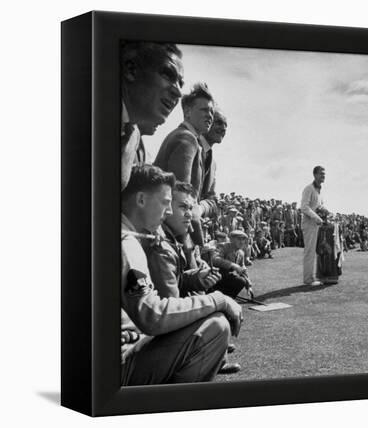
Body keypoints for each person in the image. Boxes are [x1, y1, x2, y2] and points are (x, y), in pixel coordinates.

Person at [120, 165, 243, 385]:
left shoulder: (125, 233)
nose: (168, 212)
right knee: (216, 327)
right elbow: (153, 315)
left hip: (123, 346)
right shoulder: (126, 243)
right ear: (141, 199)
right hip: (116, 369)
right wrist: (219, 300)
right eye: (166, 203)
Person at [154, 82, 216, 245]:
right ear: (187, 112)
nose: (210, 115)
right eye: (204, 110)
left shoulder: (185, 137)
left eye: (211, 111)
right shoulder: (187, 140)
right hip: (172, 235)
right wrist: (198, 248)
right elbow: (182, 202)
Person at [120, 42, 184, 190]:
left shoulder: (131, 132)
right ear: (131, 70)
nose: (179, 92)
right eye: (168, 75)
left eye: (181, 83)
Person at [300, 166, 326, 286]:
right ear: (314, 174)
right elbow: (304, 207)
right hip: (309, 225)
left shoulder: (319, 191)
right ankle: (308, 279)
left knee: (316, 251)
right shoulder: (308, 189)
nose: (323, 176)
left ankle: (313, 276)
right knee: (309, 251)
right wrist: (317, 218)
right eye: (321, 174)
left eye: (324, 174)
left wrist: (329, 214)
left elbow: (320, 207)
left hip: (317, 225)